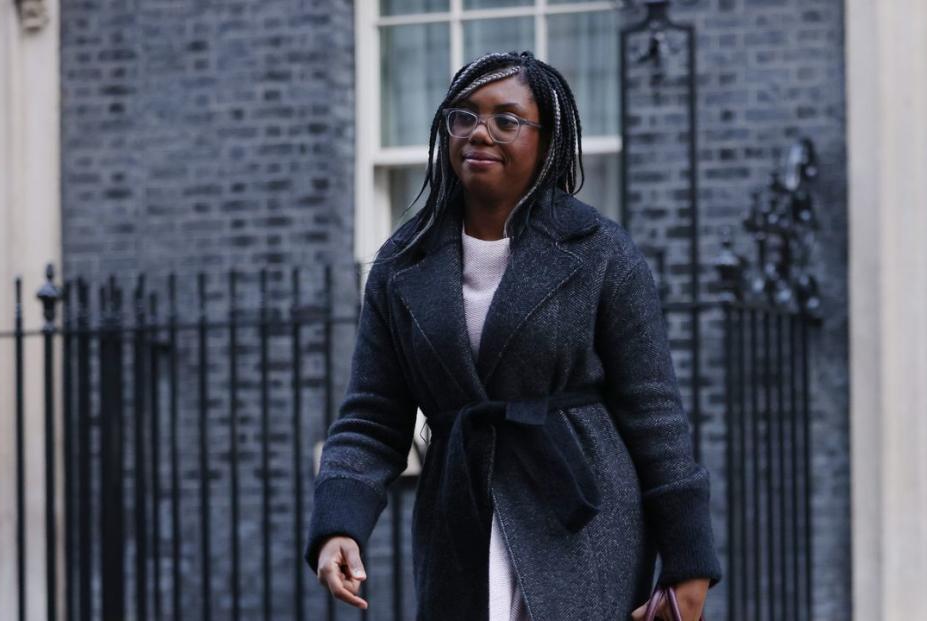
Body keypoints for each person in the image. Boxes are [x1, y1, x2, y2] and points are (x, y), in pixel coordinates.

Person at [304, 50, 721, 621]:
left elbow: (654, 412)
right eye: (465, 116)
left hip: (583, 518)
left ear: (546, 142)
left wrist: (689, 563)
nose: (480, 133)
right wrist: (338, 525)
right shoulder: (401, 263)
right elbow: (372, 417)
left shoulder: (600, 251)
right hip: (461, 521)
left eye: (506, 120)